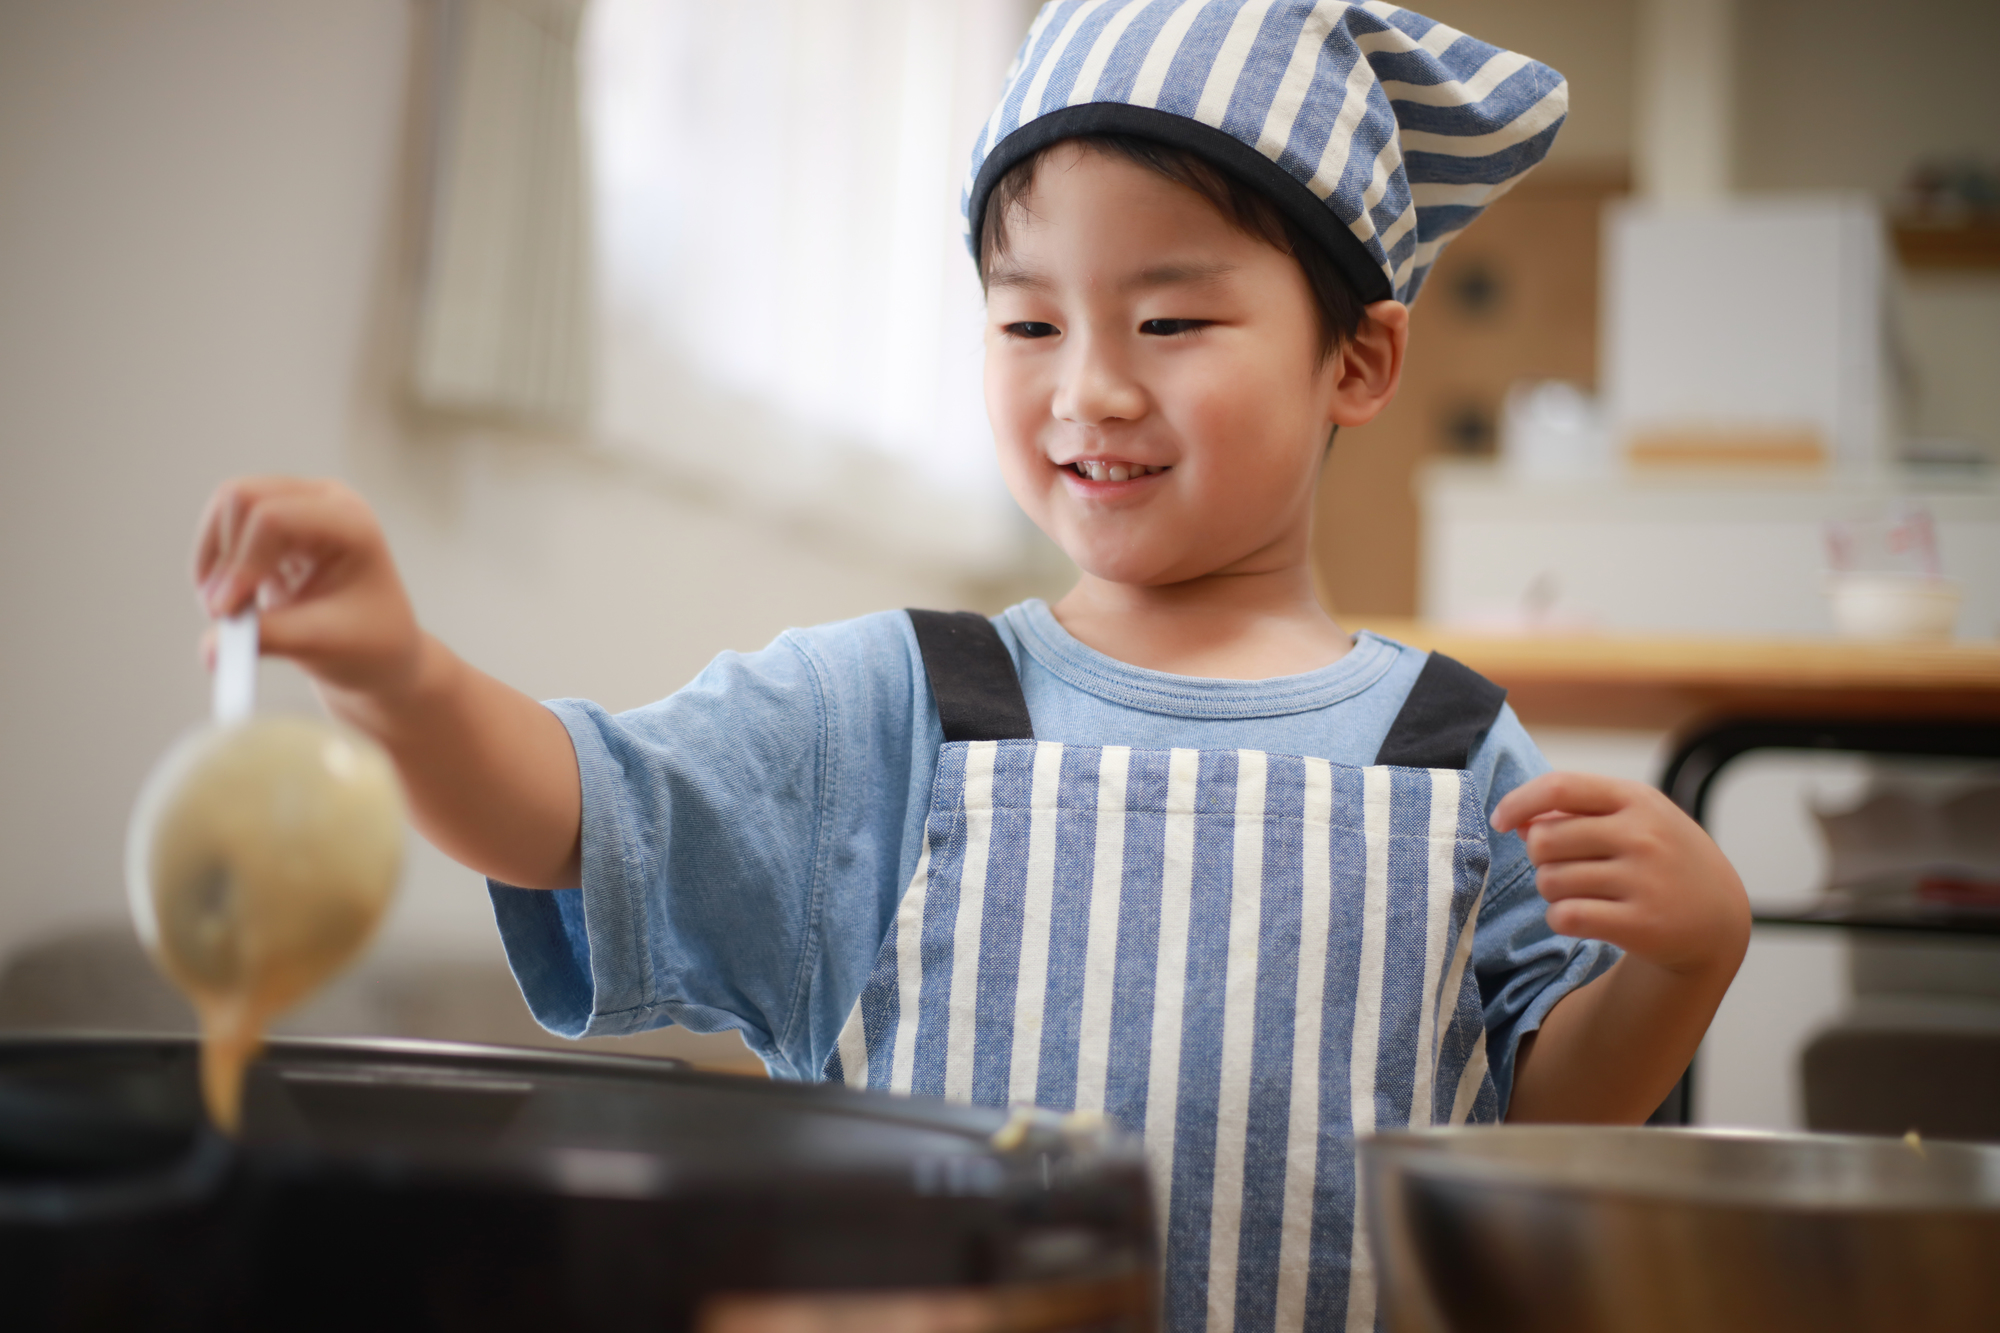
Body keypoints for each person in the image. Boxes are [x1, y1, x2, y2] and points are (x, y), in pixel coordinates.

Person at [190, 4, 1750, 1327]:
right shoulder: (895, 708)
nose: (1089, 389)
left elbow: (1545, 1124)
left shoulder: (1452, 748)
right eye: (1026, 324)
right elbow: (574, 809)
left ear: (1360, 359)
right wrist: (400, 678)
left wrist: (1691, 957)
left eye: (1171, 317)